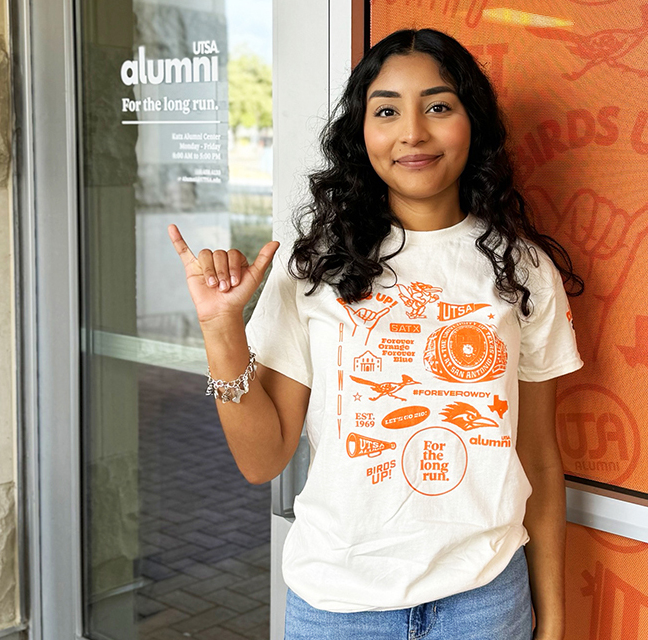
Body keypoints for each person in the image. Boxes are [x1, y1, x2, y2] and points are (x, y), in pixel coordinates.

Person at [169, 28, 583, 640]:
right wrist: (220, 328)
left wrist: (553, 620)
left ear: (473, 122)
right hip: (337, 607)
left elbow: (539, 461)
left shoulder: (522, 270)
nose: (412, 132)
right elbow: (262, 460)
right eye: (387, 111)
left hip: (485, 603)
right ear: (361, 133)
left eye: (438, 107)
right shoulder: (316, 267)